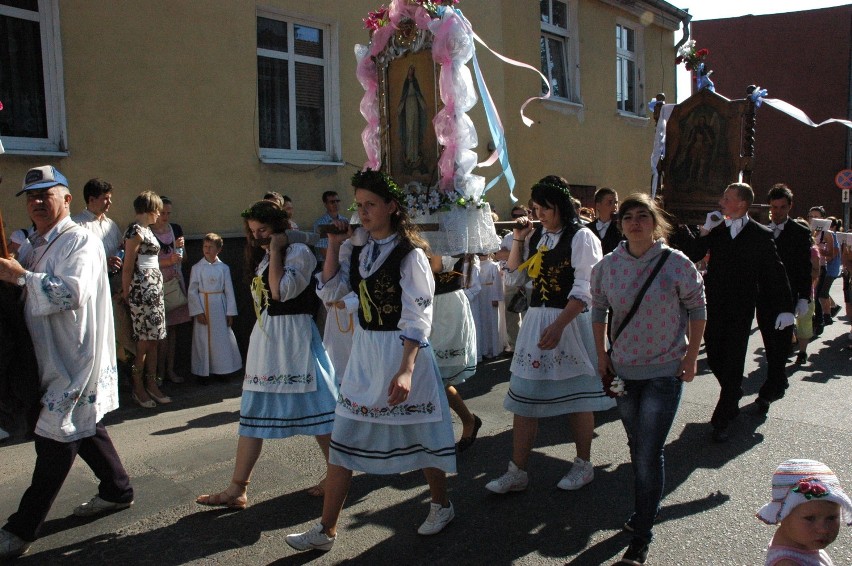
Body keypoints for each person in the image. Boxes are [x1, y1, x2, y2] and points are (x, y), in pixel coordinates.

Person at [286, 170, 456, 552]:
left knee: (422, 433)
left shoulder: (410, 255)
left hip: (401, 351)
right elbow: (331, 291)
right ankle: (327, 531)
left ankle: (441, 504)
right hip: (366, 352)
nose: (362, 212)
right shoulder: (357, 249)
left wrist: (407, 368)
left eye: (370, 205)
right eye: (358, 205)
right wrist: (334, 244)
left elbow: (418, 315)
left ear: (392, 207)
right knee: (343, 436)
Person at [0, 166, 134, 559]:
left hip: (75, 356)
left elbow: (70, 294)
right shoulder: (35, 243)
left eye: (46, 194)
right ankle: (117, 489)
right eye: (31, 197)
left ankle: (21, 529)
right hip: (47, 354)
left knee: (55, 436)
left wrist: (20, 277)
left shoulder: (80, 241)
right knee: (83, 425)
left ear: (67, 199)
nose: (38, 203)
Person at [196, 200, 337, 509]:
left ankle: (337, 474)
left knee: (321, 409)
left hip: (294, 337)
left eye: (264, 231)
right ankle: (238, 488)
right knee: (252, 411)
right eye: (253, 232)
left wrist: (276, 250)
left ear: (278, 229)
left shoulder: (298, 253)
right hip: (268, 338)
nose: (258, 237)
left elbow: (280, 291)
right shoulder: (264, 257)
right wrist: (270, 252)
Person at [591, 193, 706, 566]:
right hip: (624, 370)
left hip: (663, 371)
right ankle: (643, 512)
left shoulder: (675, 263)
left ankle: (641, 535)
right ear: (620, 223)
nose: (635, 222)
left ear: (655, 223)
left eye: (643, 216)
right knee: (636, 444)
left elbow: (697, 306)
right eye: (628, 217)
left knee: (646, 451)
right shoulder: (608, 266)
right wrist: (602, 354)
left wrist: (691, 357)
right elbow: (598, 309)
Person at [485, 175, 614, 495]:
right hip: (537, 321)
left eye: (546, 208)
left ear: (560, 207)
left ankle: (583, 463)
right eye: (536, 208)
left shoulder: (582, 238)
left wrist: (559, 326)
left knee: (578, 400)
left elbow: (586, 289)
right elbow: (515, 277)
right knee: (524, 398)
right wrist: (518, 238)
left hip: (569, 322)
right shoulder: (539, 236)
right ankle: (517, 471)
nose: (540, 214)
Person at [683, 183, 793, 442]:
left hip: (742, 307)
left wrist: (786, 307)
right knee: (716, 356)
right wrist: (705, 231)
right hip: (712, 304)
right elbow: (692, 255)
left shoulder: (761, 234)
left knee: (733, 358)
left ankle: (723, 416)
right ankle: (732, 391)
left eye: (727, 198)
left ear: (741, 204)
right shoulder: (716, 229)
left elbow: (776, 273)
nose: (721, 201)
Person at [754, 184, 812, 412]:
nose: (777, 212)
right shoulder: (760, 230)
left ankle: (770, 389)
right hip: (764, 298)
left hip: (788, 298)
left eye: (782, 207)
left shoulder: (800, 233)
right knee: (770, 343)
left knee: (780, 344)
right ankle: (780, 379)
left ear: (790, 207)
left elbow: (804, 269)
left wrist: (804, 298)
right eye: (774, 207)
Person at [122, 191, 171, 408]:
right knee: (143, 340)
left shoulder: (147, 231)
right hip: (141, 291)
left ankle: (152, 384)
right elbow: (128, 265)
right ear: (149, 209)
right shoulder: (134, 231)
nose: (159, 213)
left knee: (155, 338)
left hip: (154, 288)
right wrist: (126, 293)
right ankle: (138, 384)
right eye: (157, 209)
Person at [429, 254, 482, 451]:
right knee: (429, 376)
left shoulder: (452, 231)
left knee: (435, 376)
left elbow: (436, 265)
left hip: (445, 306)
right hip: (422, 304)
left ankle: (442, 434)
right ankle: (467, 420)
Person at [757, 459, 852, 566]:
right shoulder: (788, 563)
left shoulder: (802, 543)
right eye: (810, 518)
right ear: (783, 515)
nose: (823, 529)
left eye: (831, 518)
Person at [187, 233, 242, 382]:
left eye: (211, 247)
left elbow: (229, 290)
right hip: (203, 305)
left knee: (221, 340)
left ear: (218, 249)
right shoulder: (197, 268)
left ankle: (222, 370)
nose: (207, 249)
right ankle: (203, 372)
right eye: (205, 246)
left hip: (219, 306)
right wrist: (197, 310)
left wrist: (230, 312)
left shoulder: (223, 268)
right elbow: (192, 290)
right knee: (202, 339)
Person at [151, 196, 191, 384]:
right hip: (156, 283)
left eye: (168, 213)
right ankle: (157, 372)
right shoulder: (147, 231)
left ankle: (169, 370)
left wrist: (181, 251)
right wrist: (168, 261)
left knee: (172, 330)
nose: (166, 216)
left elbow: (183, 258)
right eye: (162, 212)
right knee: (160, 331)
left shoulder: (175, 229)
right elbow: (144, 261)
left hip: (174, 282)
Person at [495, 204, 530, 353]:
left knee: (529, 319)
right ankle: (516, 348)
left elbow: (528, 258)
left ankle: (529, 348)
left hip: (529, 283)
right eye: (515, 216)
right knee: (511, 319)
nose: (519, 219)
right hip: (511, 281)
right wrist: (515, 256)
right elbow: (498, 255)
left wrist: (511, 254)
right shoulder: (508, 237)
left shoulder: (534, 235)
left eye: (522, 215)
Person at [72, 178, 123, 275]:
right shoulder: (77, 225)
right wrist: (103, 263)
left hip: (115, 278)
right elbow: (75, 258)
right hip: (93, 280)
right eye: (105, 198)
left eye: (110, 198)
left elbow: (120, 248)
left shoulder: (110, 224)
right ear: (91, 200)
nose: (110, 202)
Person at [793, 219, 821, 365]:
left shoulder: (812, 250)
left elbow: (816, 272)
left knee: (804, 321)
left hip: (806, 290)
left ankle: (802, 352)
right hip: (788, 289)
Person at [312, 191, 349, 263]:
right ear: (325, 204)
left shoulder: (346, 221)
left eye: (337, 201)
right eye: (332, 202)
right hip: (325, 263)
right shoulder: (319, 224)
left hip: (344, 260)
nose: (336, 204)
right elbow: (324, 252)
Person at [586, 187, 624, 256]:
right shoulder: (587, 229)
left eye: (616, 203)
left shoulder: (621, 228)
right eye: (610, 203)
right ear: (598, 206)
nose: (614, 206)